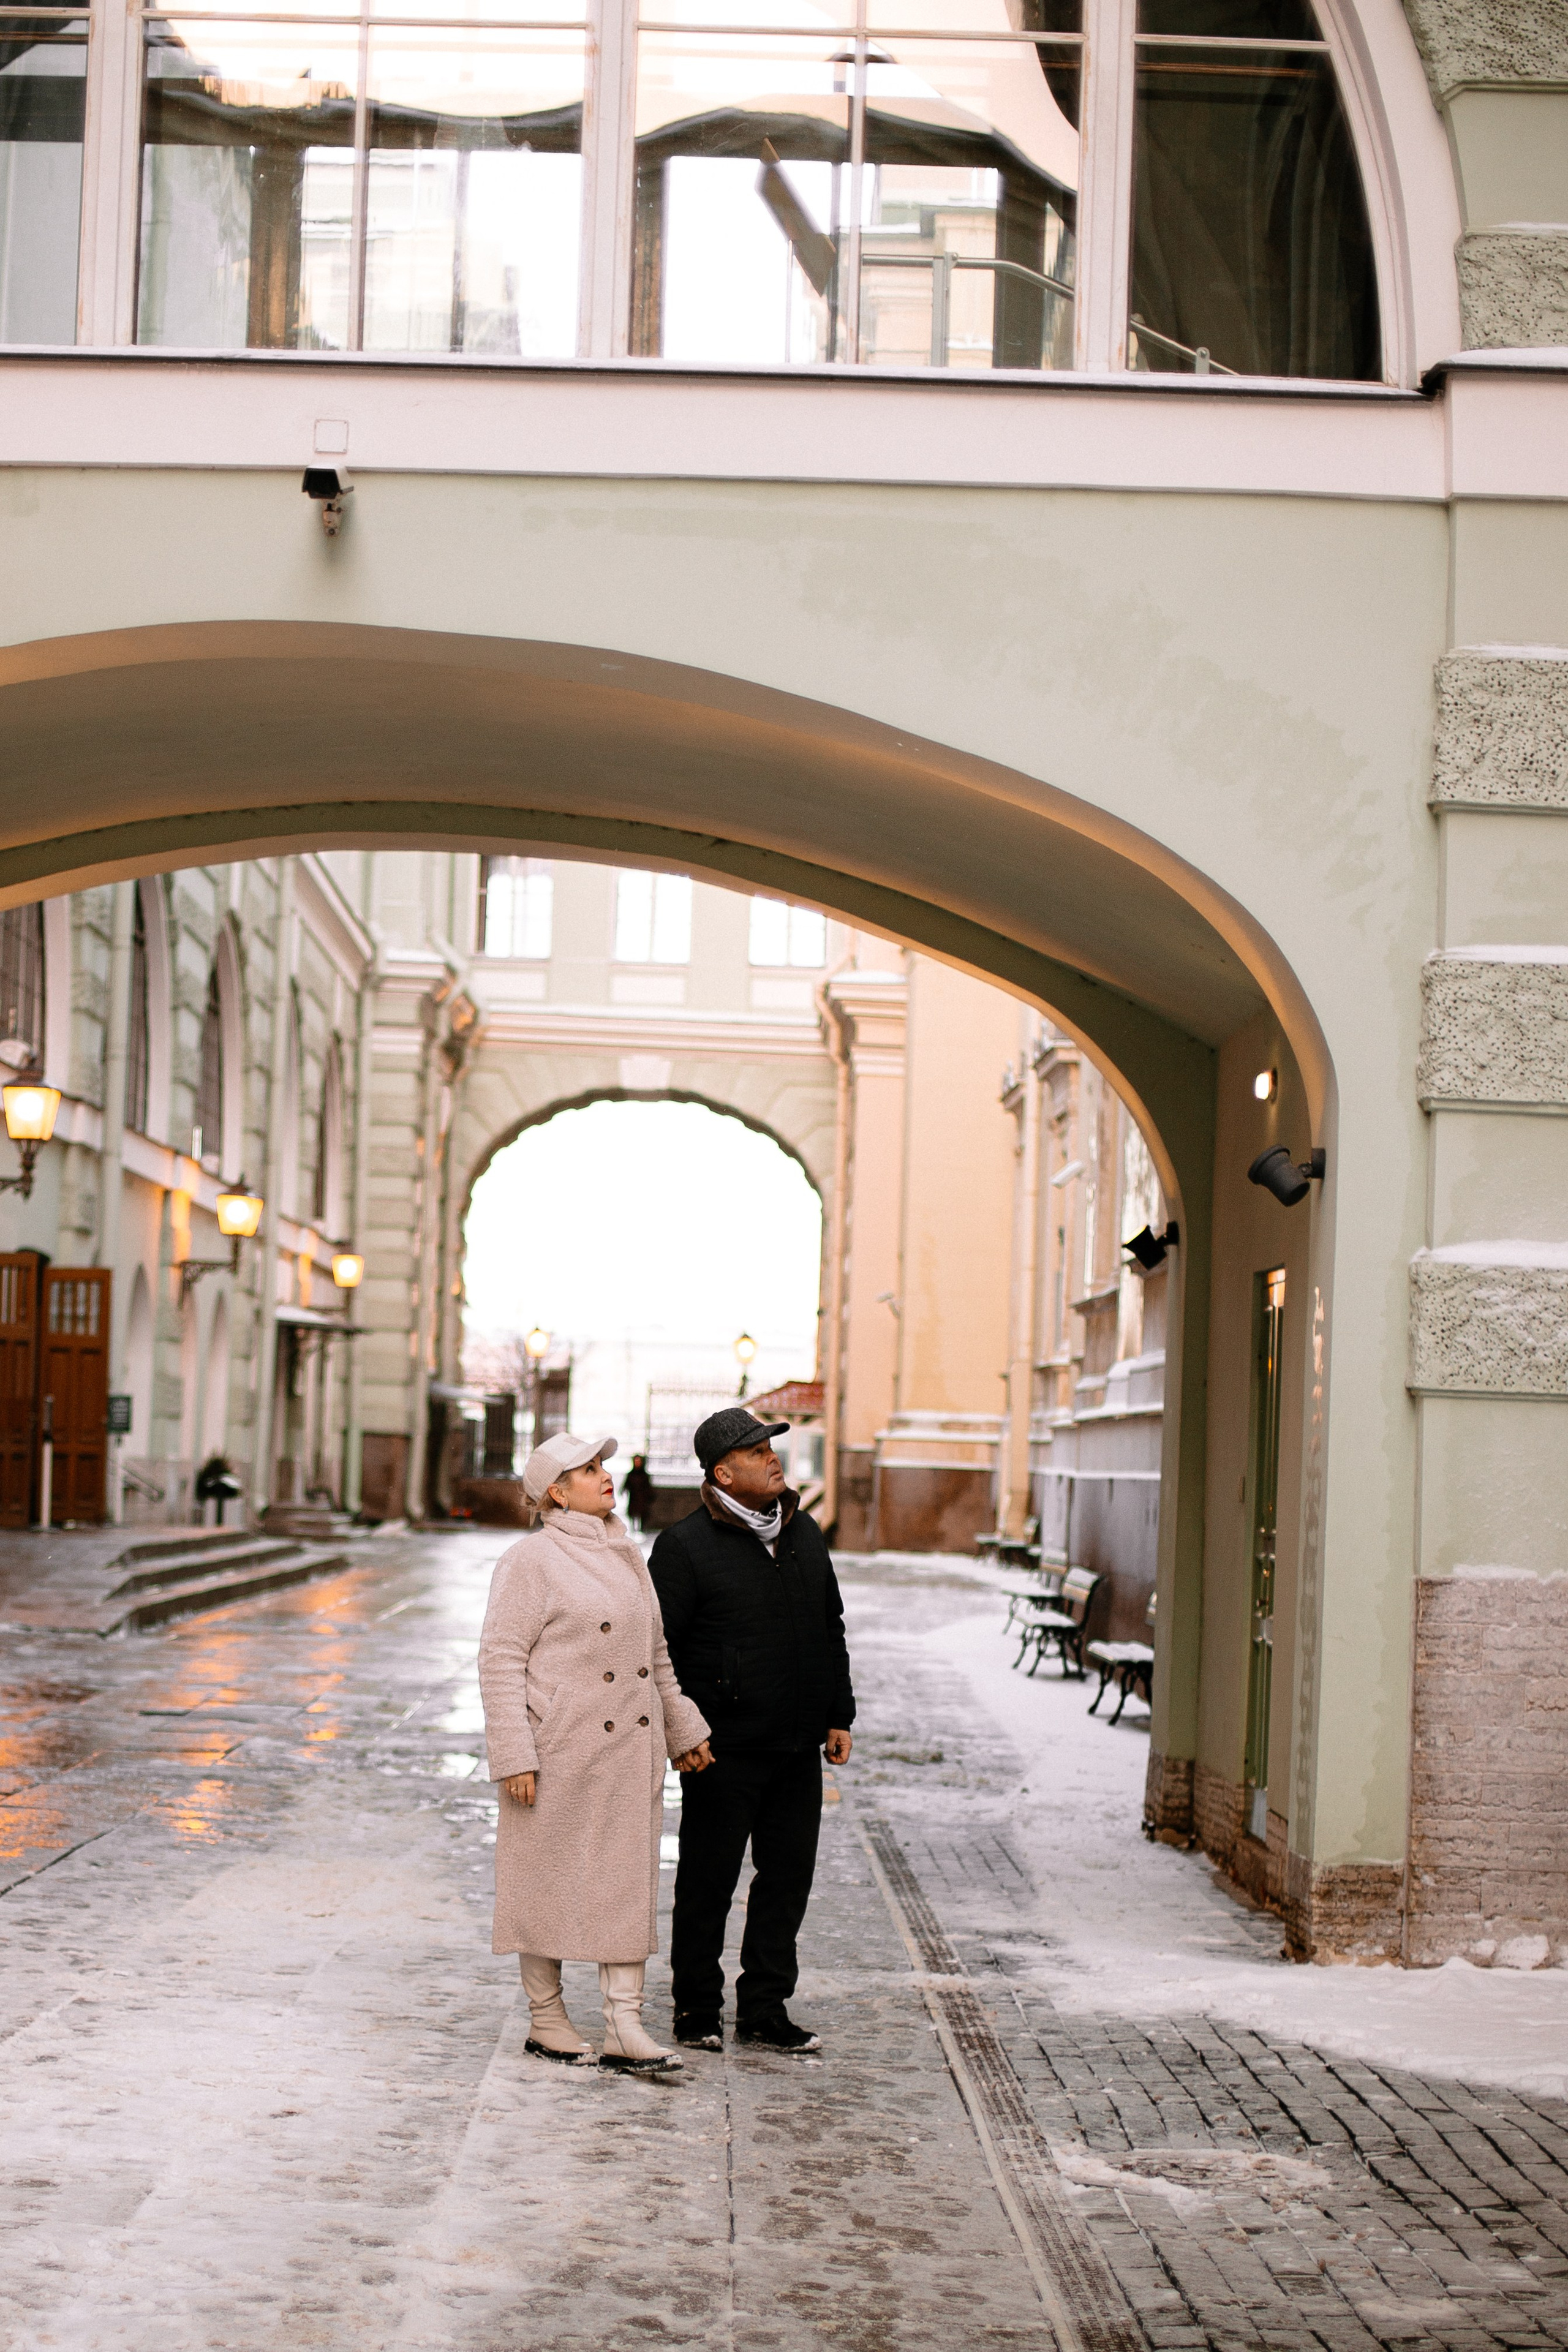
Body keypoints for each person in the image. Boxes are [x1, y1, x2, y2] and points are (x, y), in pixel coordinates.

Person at [478, 1431, 714, 2073]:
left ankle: (624, 2023)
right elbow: (501, 1660)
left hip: (627, 1751)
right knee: (543, 1876)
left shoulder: (626, 1554)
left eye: (602, 1464)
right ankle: (547, 2018)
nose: (604, 1475)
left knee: (623, 1880)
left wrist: (684, 1730)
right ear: (557, 1491)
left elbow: (653, 1658)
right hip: (557, 1747)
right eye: (588, 1469)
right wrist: (514, 1754)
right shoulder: (531, 1561)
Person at [648, 1407, 855, 2056]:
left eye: (771, 1447)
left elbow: (830, 1628)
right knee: (708, 1881)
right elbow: (658, 1649)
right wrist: (682, 1731)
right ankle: (696, 2008)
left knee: (786, 1880)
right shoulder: (684, 1547)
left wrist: (837, 1713)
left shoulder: (804, 1532)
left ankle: (765, 2008)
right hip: (722, 1748)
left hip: (797, 1745)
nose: (773, 1457)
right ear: (722, 1472)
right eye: (757, 1450)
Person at [622, 1452, 654, 1532]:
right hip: (634, 1497)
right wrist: (623, 1490)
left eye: (639, 1461)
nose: (637, 1463)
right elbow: (627, 1484)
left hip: (642, 1498)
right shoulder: (631, 1474)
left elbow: (648, 1487)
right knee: (633, 1514)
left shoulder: (644, 1475)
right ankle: (634, 1529)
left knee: (642, 1514)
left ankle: (641, 1529)